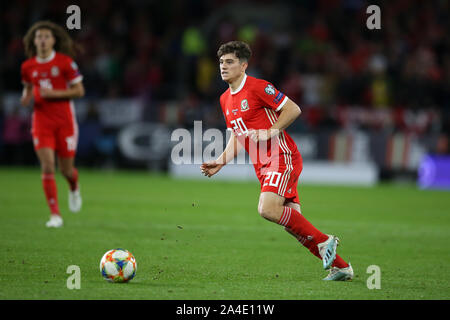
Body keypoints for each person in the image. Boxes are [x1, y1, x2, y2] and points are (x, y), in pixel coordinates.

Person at [201, 41, 353, 281]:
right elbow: (237, 136)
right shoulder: (224, 99)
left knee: (267, 209)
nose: (223, 66)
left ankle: (326, 241)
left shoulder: (258, 87)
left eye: (229, 62)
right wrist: (221, 161)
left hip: (281, 156)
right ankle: (341, 267)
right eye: (221, 62)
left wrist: (270, 131)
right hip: (262, 165)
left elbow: (293, 109)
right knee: (293, 225)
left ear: (243, 65)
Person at [20, 21, 84, 228]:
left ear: (54, 40)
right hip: (41, 121)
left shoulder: (65, 62)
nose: (43, 40)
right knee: (47, 166)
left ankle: (74, 187)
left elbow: (79, 91)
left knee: (66, 170)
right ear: (34, 41)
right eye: (39, 37)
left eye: (47, 36)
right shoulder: (28, 66)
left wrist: (53, 94)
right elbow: (28, 88)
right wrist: (26, 97)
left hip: (65, 121)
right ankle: (55, 215)